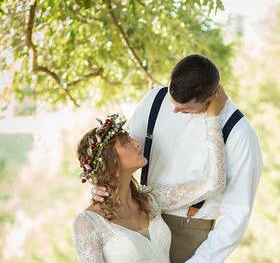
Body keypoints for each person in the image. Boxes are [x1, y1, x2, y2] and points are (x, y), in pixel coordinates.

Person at [92, 54, 263, 263]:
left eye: (183, 108)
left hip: (188, 234)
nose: (173, 109)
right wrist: (102, 186)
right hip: (134, 224)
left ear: (210, 98)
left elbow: (237, 217)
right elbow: (121, 155)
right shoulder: (154, 99)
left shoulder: (240, 134)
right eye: (171, 101)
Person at [72, 89, 227, 262]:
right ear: (110, 162)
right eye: (126, 143)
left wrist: (213, 120)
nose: (138, 143)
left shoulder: (150, 200)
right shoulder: (87, 223)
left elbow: (214, 183)